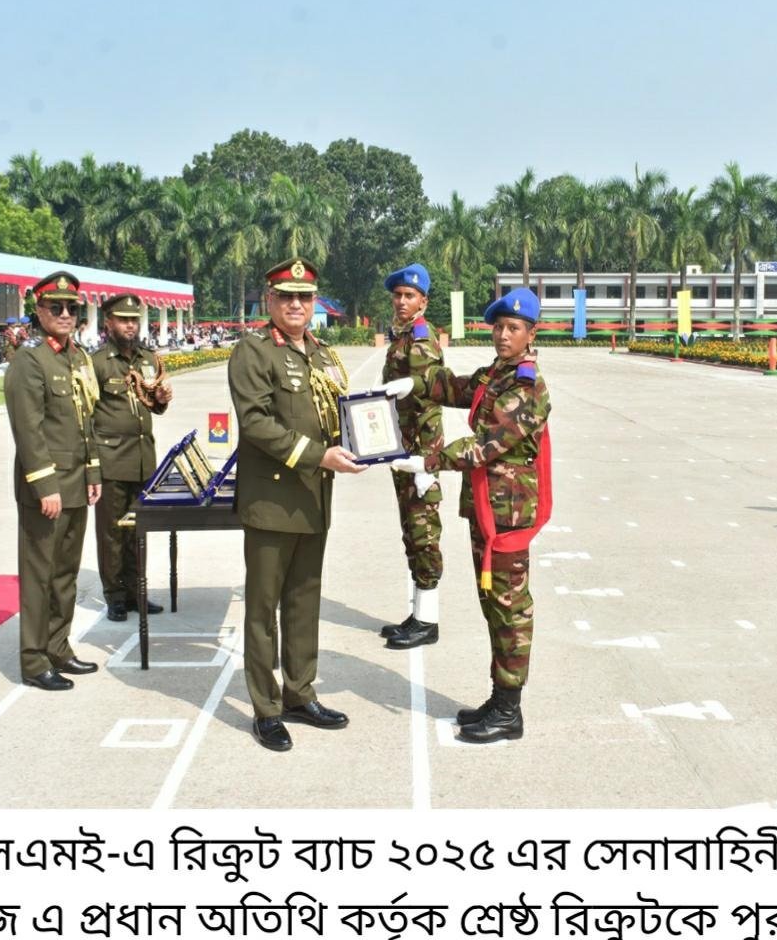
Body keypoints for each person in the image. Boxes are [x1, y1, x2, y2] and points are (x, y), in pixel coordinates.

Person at [392, 287, 551, 743]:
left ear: (530, 334)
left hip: (509, 516)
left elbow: (484, 446)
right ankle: (499, 699)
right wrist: (416, 384)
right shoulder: (497, 374)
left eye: (513, 328)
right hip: (488, 509)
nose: (503, 335)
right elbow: (458, 388)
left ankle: (509, 711)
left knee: (510, 610)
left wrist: (428, 460)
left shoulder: (525, 386)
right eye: (498, 327)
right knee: (492, 605)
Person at [227, 256, 366, 752]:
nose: (296, 305)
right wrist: (319, 456)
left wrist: (366, 440)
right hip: (272, 499)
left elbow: (337, 412)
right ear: (270, 300)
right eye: (286, 296)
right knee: (264, 607)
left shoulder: (323, 353)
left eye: (304, 297)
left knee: (304, 603)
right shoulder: (255, 351)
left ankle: (299, 694)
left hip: (314, 496)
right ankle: (266, 709)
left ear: (315, 303)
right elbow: (256, 422)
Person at [3, 271, 103, 691]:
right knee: (39, 574)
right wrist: (46, 486)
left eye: (72, 308)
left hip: (78, 483)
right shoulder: (29, 360)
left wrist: (93, 471)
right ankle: (33, 658)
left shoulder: (77, 358)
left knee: (66, 572)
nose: (65, 314)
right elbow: (28, 429)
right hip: (47, 486)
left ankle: (59, 646)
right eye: (55, 307)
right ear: (38, 311)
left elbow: (87, 420)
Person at [91, 293, 173, 622]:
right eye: (123, 319)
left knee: (138, 530)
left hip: (142, 458)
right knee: (112, 533)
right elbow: (86, 417)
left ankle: (136, 591)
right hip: (111, 461)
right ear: (108, 322)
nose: (129, 325)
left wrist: (163, 399)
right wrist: (92, 467)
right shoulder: (97, 363)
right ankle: (114, 596)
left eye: (134, 320)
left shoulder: (146, 358)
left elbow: (152, 403)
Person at [377, 263, 446, 649]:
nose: (402, 302)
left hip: (420, 453)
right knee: (411, 530)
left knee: (424, 534)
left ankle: (428, 622)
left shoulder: (420, 338)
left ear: (423, 301)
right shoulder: (403, 337)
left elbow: (428, 396)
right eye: (398, 295)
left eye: (409, 296)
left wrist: (427, 462)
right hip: (405, 448)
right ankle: (419, 613)